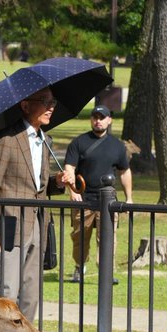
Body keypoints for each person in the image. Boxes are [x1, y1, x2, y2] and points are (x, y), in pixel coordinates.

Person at [0, 86, 64, 332]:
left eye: (53, 101)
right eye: (45, 102)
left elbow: (39, 187)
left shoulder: (45, 140)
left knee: (31, 295)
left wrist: (58, 183)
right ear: (26, 105)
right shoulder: (6, 140)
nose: (51, 107)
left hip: (37, 223)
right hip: (10, 226)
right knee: (9, 294)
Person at [60, 105, 133, 285]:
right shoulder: (79, 142)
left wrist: (129, 198)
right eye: (95, 117)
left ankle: (106, 271)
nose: (98, 120)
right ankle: (79, 267)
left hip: (108, 202)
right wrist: (72, 190)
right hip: (83, 199)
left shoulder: (117, 146)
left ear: (109, 120)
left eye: (102, 117)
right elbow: (69, 167)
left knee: (108, 238)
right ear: (91, 119)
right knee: (79, 237)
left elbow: (125, 172)